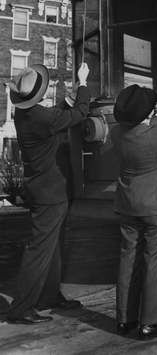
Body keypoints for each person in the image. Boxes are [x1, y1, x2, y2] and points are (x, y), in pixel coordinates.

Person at [6, 62, 90, 324]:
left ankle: (50, 296)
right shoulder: (41, 118)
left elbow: (54, 115)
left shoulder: (25, 115)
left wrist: (67, 99)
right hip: (50, 193)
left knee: (52, 247)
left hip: (42, 189)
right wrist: (83, 83)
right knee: (39, 250)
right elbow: (80, 114)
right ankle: (21, 308)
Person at [112, 78, 157, 340]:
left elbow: (150, 123)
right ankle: (152, 323)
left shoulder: (118, 133)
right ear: (146, 114)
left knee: (128, 259)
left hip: (128, 206)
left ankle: (125, 319)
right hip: (156, 207)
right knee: (156, 263)